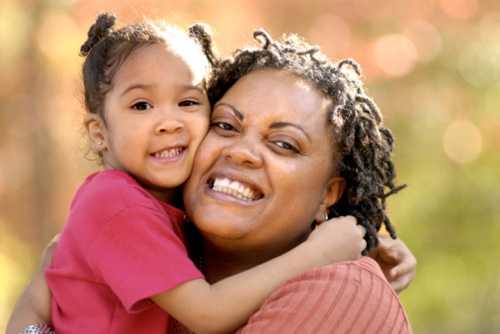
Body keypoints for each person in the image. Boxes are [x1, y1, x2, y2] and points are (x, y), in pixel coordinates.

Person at [8, 26, 416, 334]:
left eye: (284, 144)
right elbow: (48, 274)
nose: (240, 151)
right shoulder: (143, 232)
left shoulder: (343, 290)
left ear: (329, 194)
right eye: (225, 125)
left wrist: (347, 244)